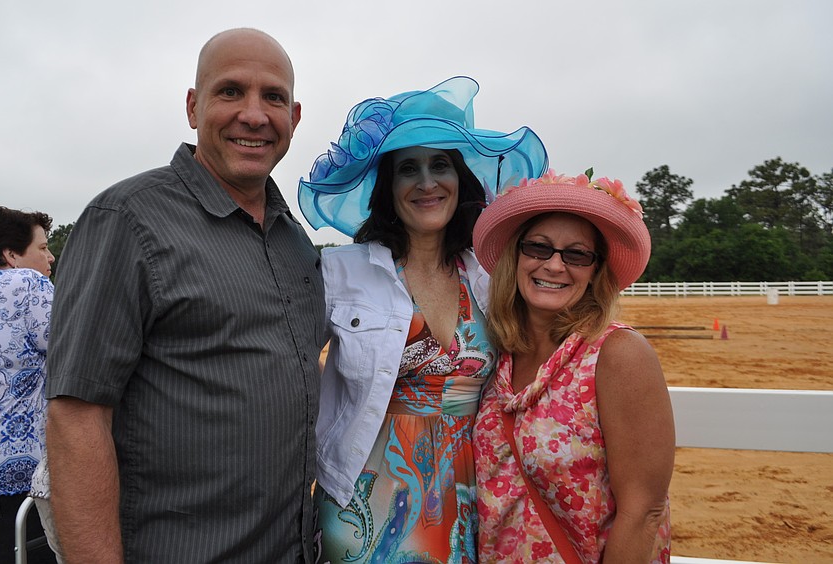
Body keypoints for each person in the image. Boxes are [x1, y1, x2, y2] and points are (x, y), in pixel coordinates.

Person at [44, 28, 325, 563]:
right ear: (193, 107)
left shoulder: (294, 239)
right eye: (230, 91)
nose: (254, 114)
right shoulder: (127, 220)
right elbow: (77, 417)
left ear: (294, 116)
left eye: (274, 97)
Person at [298, 76, 547, 563]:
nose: (427, 182)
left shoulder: (490, 276)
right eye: (408, 169)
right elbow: (286, 360)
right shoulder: (339, 272)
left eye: (441, 166)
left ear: (461, 180)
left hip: (473, 501)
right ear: (388, 188)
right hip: (362, 504)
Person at [471, 170, 674, 562]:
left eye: (577, 254)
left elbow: (643, 511)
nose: (555, 266)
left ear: (596, 269)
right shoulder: (500, 356)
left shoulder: (617, 354)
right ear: (517, 256)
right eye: (539, 248)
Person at [0, 206, 57, 563]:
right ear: (11, 256)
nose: (51, 256)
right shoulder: (25, 284)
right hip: (9, 485)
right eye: (41, 248)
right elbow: (82, 353)